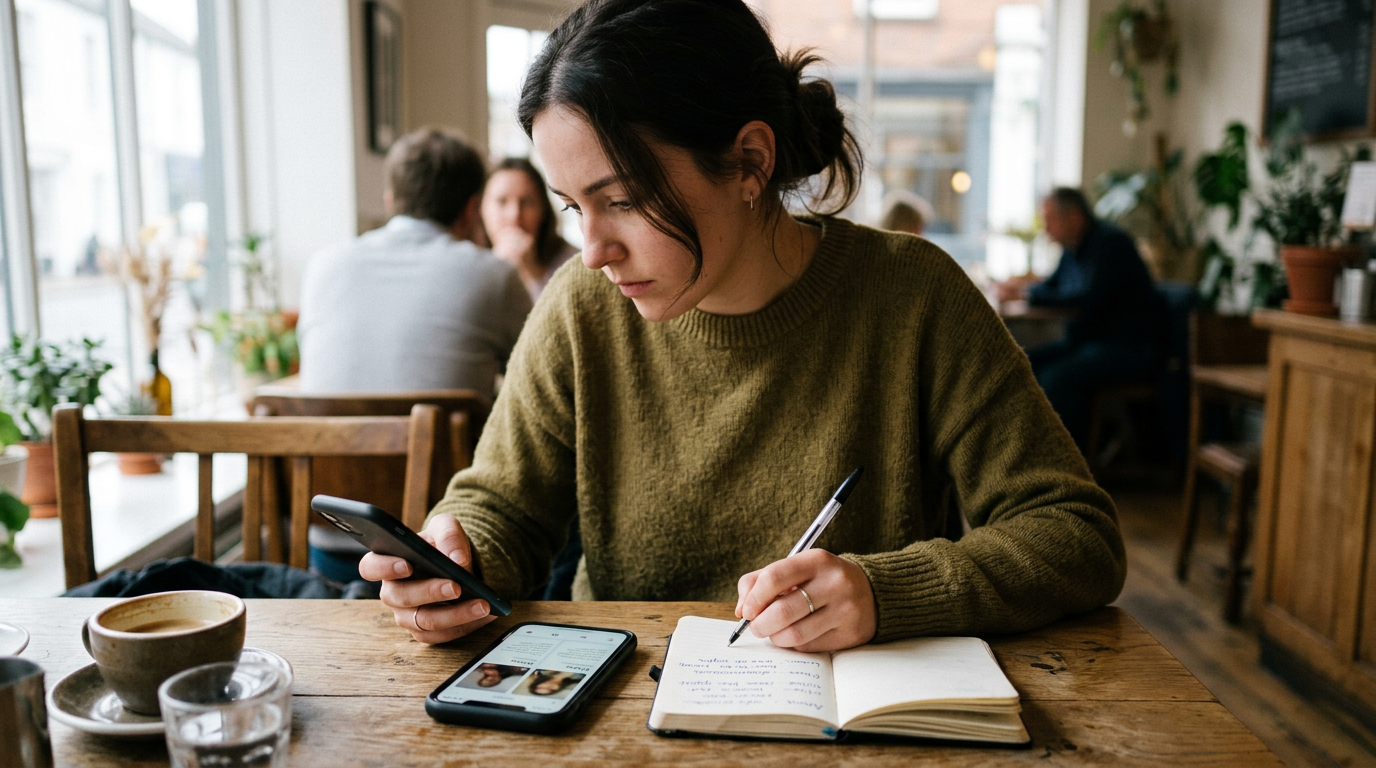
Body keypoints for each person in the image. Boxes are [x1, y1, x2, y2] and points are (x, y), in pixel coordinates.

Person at [360, 0, 1125, 654]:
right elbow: (502, 507)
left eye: (621, 199)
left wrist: (885, 592)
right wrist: (455, 558)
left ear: (750, 161)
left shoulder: (914, 296)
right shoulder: (581, 306)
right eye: (572, 207)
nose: (593, 250)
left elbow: (1075, 534)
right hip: (621, 714)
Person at [297, 127, 532, 401]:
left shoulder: (322, 266)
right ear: (471, 210)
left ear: (390, 202)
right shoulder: (494, 275)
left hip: (324, 442)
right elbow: (538, 376)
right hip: (445, 444)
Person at [995, 187, 1164, 448]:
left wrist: (1026, 295)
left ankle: (1066, 464)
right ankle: (1024, 454)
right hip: (1088, 343)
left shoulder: (1109, 244)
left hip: (1126, 347)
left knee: (1056, 377)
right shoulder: (1073, 248)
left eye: (1050, 220)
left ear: (1074, 217)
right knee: (1021, 361)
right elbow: (1052, 287)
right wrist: (1023, 291)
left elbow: (1085, 299)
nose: (1046, 229)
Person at [481, 157, 580, 301]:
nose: (514, 215)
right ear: (481, 209)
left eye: (526, 202)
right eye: (502, 201)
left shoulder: (574, 264)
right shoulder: (468, 264)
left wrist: (532, 272)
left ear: (543, 210)